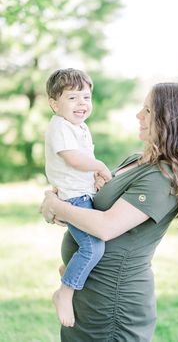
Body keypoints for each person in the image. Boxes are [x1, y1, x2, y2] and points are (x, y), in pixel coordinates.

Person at [40, 82, 178, 342]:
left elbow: (106, 226)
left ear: (169, 120)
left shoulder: (162, 178)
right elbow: (92, 211)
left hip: (113, 304)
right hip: (87, 293)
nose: (138, 115)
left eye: (147, 110)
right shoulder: (136, 160)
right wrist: (63, 207)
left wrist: (57, 206)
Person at [44, 68, 112, 327]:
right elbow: (72, 158)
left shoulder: (80, 127)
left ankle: (69, 271)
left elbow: (79, 162)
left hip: (81, 192)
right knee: (93, 246)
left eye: (86, 97)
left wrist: (93, 179)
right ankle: (65, 292)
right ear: (54, 103)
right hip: (73, 198)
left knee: (86, 244)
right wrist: (100, 167)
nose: (82, 103)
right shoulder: (60, 126)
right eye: (72, 98)